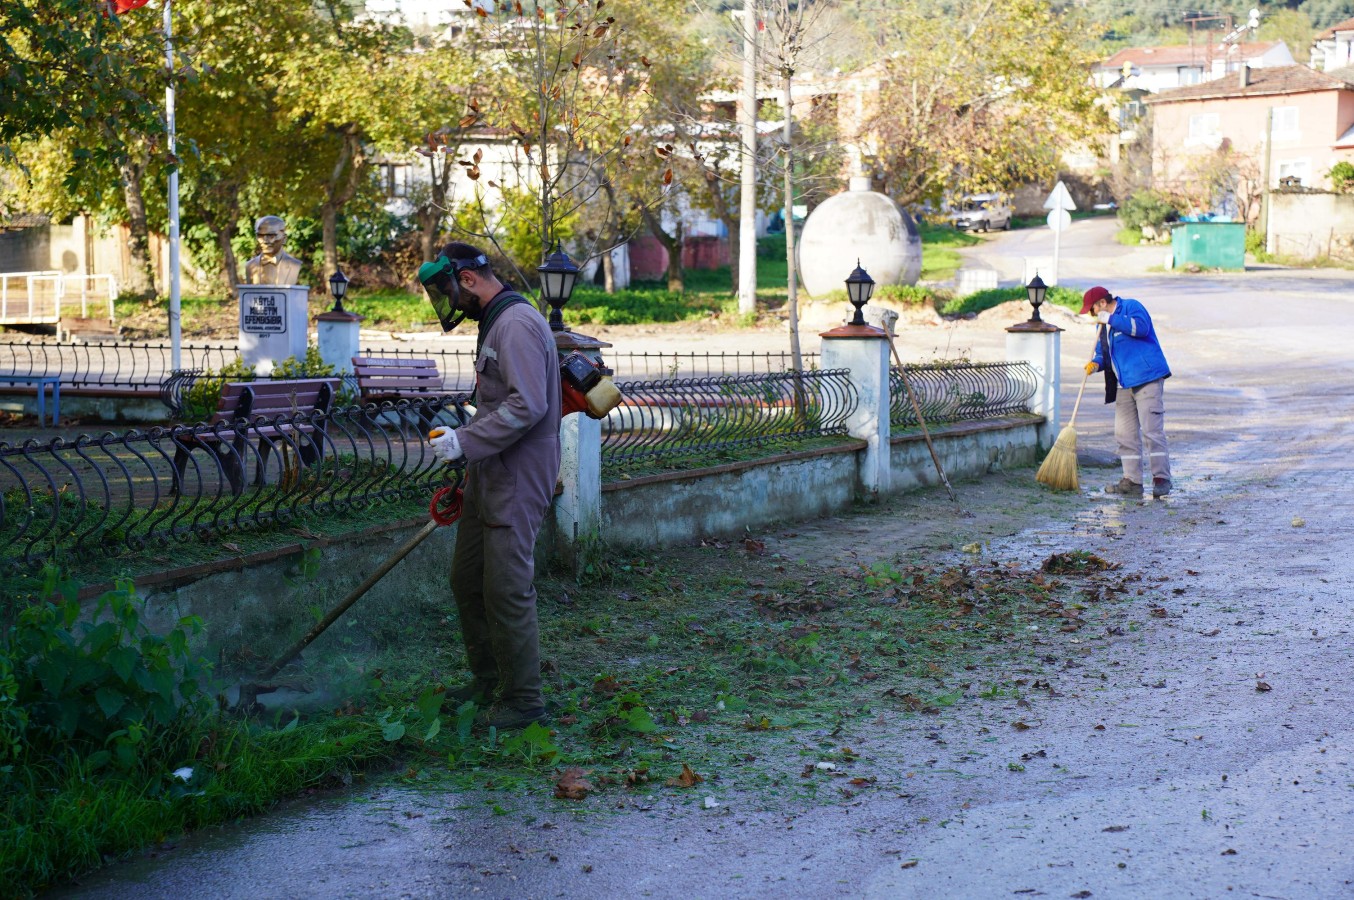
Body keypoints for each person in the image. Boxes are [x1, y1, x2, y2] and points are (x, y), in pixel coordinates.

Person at [422, 242, 561, 729]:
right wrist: (470, 457)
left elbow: (527, 406)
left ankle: (524, 703)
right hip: (491, 469)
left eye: (445, 290)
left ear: (466, 280)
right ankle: (487, 682)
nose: (447, 303)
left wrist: (464, 441)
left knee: (505, 588)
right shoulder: (496, 321)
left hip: (519, 473)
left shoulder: (516, 324)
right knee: (468, 579)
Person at [1080, 285, 1172, 499]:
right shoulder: (1102, 326)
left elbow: (1141, 328)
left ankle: (1161, 479)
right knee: (1125, 434)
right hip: (1123, 384)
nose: (1092, 314)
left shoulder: (1131, 307)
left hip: (1147, 378)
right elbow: (1104, 354)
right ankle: (1132, 481)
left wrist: (1110, 319)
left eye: (1092, 309)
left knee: (1152, 431)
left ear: (1102, 303)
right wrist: (1096, 363)